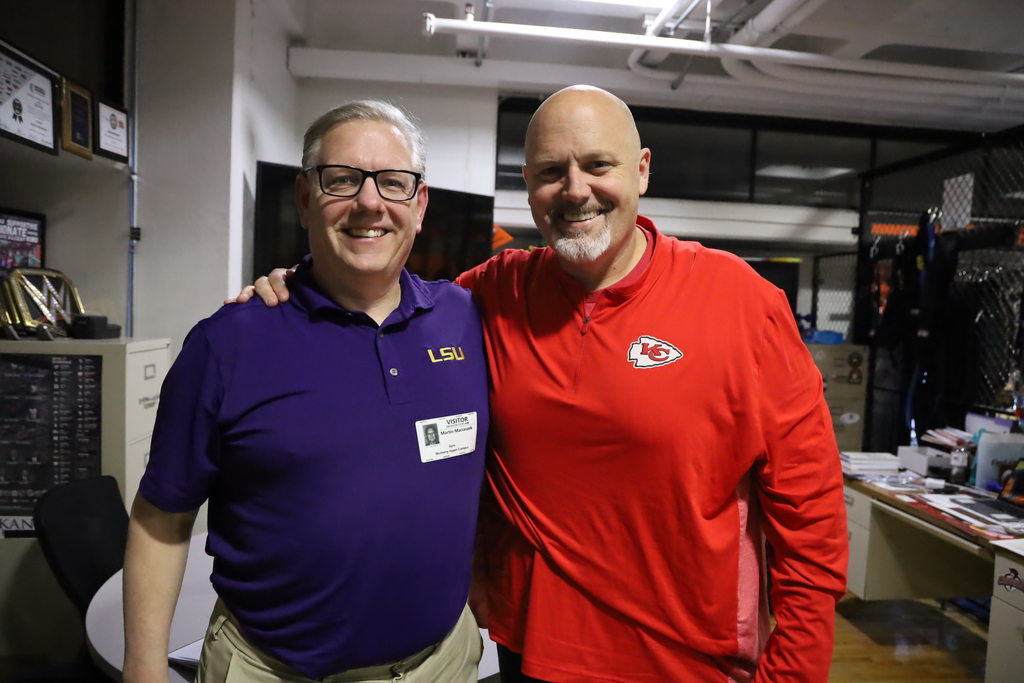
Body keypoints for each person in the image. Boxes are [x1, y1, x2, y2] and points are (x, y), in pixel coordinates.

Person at [239, 86, 848, 683]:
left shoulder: (740, 302)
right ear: (528, 184)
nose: (576, 189)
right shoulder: (490, 295)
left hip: (689, 660)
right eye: (552, 171)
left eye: (598, 165)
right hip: (530, 651)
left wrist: (794, 671)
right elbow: (380, 302)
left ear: (641, 171)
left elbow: (810, 512)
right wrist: (296, 289)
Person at [122, 101, 489, 683]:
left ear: (419, 206)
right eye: (342, 180)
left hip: (439, 664)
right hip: (269, 670)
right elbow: (161, 517)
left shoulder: (471, 320)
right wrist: (143, 669)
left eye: (393, 183)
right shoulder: (229, 343)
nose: (370, 203)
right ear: (302, 199)